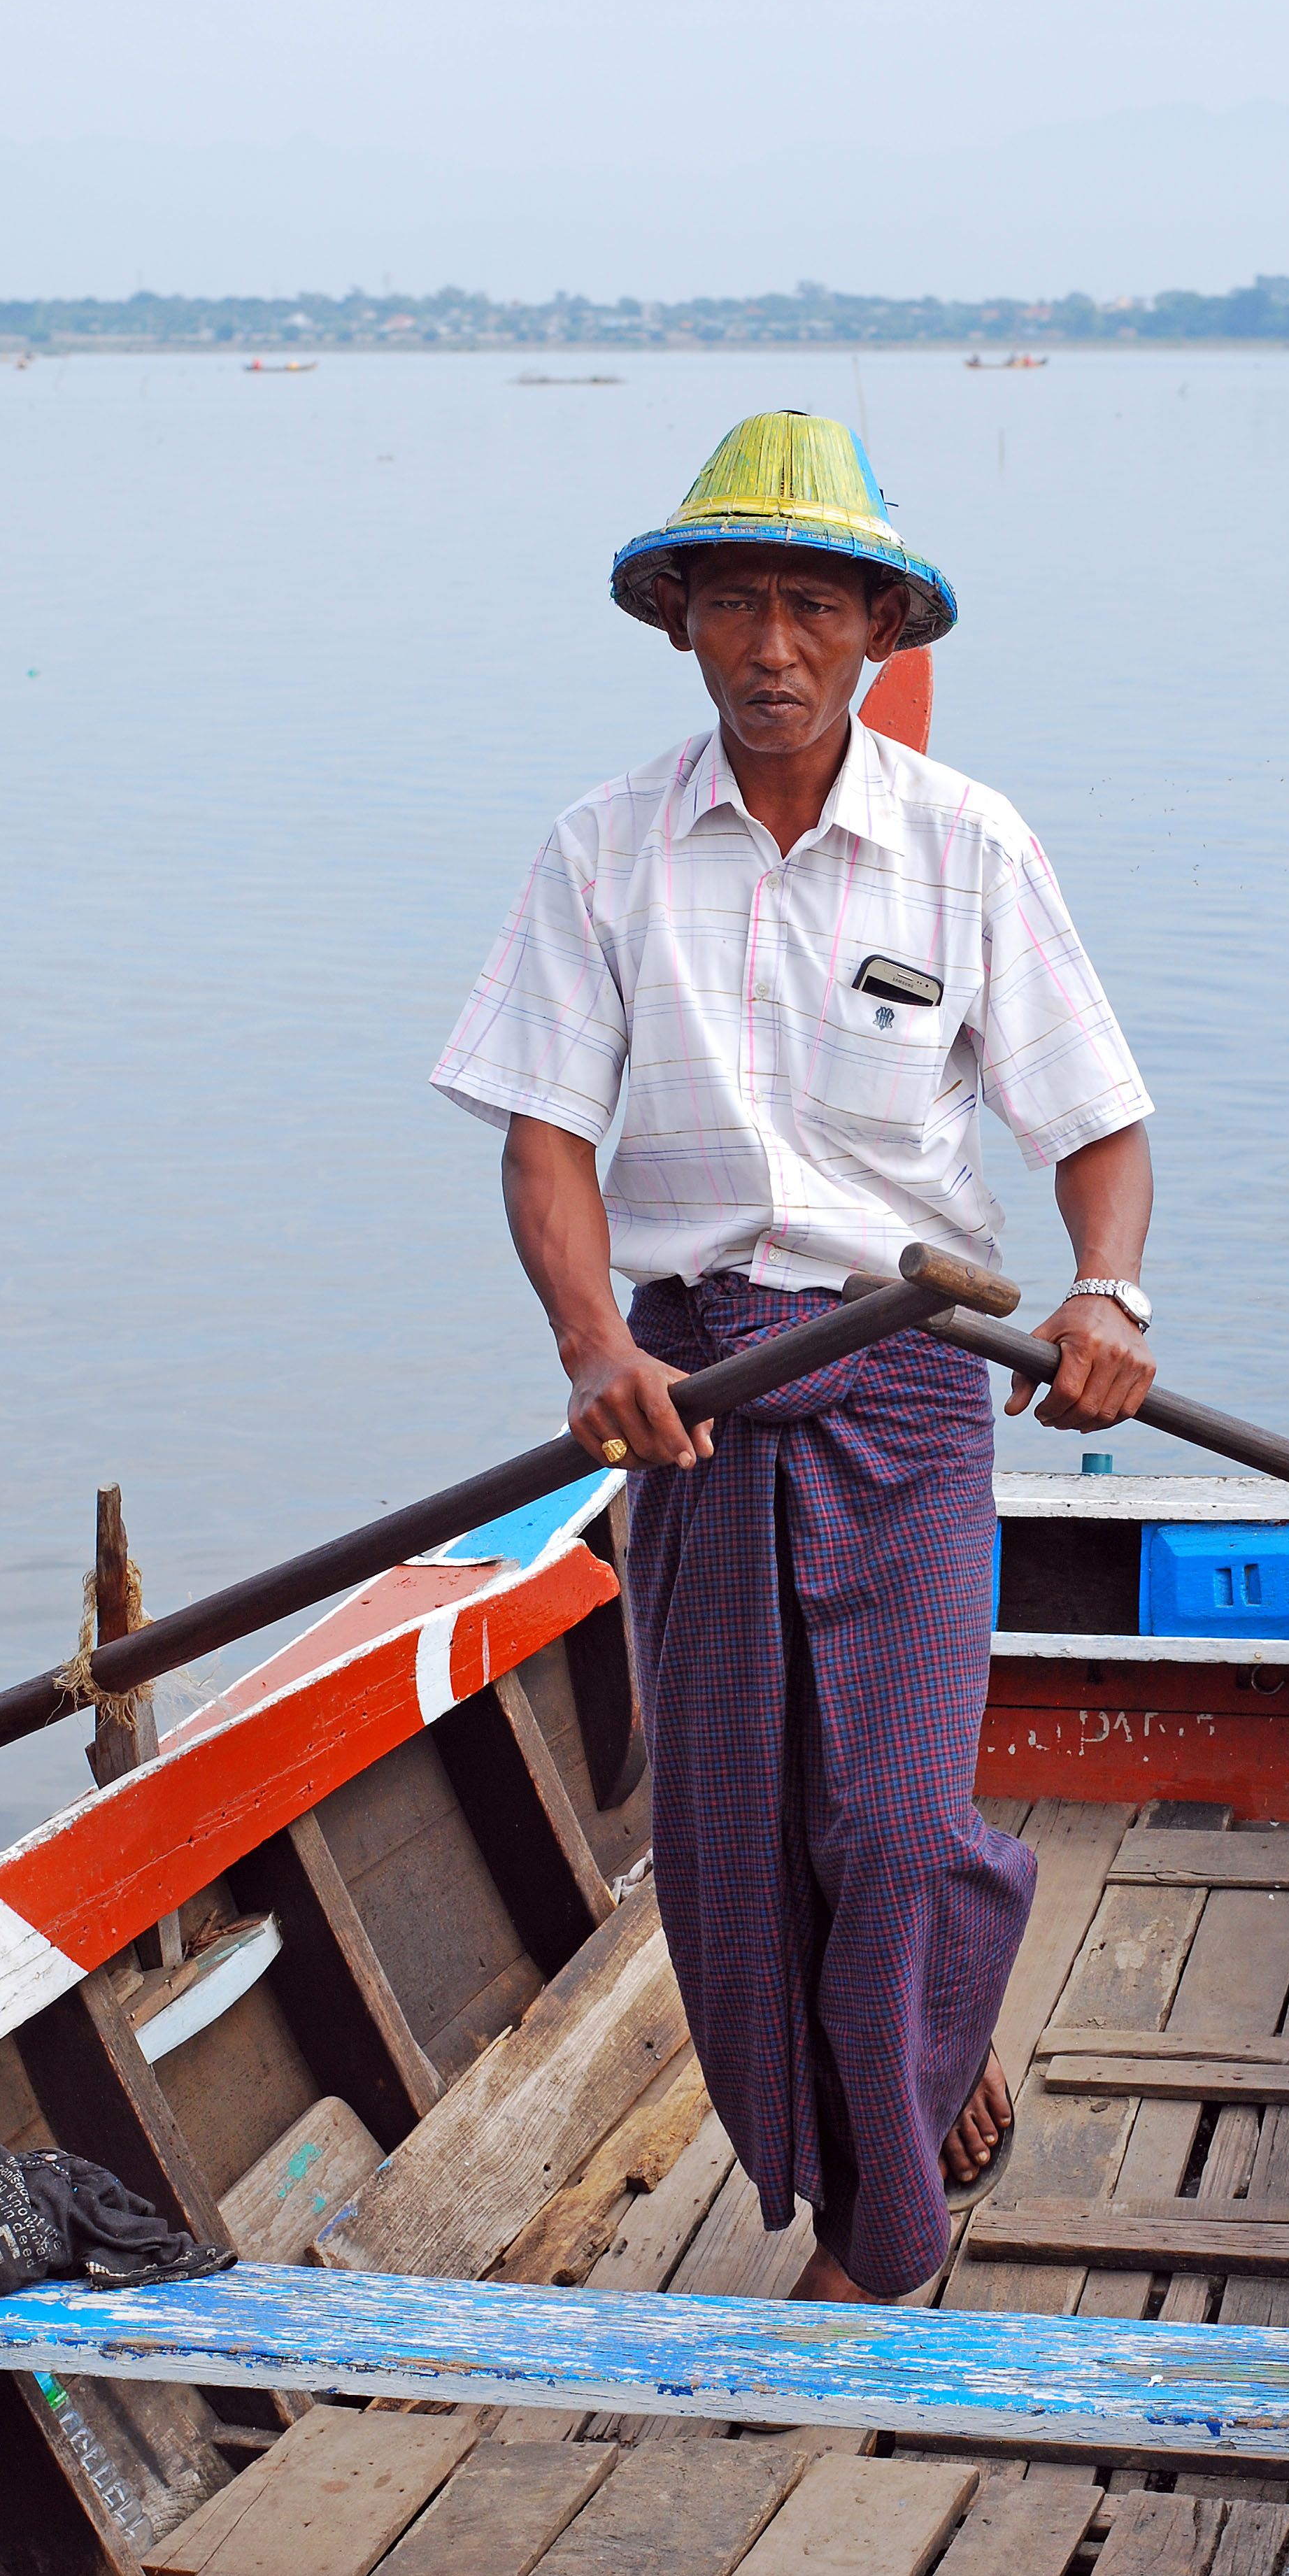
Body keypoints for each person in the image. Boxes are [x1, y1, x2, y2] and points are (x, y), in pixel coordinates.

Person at [433, 411, 1155, 2304]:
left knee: (898, 1832)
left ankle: (879, 2225)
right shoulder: (602, 852)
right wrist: (594, 1344)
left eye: (815, 609)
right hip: (689, 1401)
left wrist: (1105, 1296)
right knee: (736, 1851)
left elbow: (1097, 1128)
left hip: (905, 1374)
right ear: (679, 621)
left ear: (879, 633)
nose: (774, 648)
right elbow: (545, 1141)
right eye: (738, 604)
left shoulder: (967, 847)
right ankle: (908, 2074)